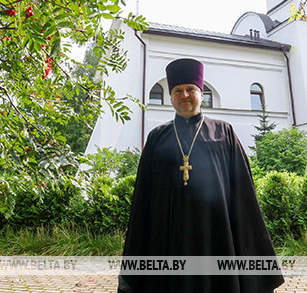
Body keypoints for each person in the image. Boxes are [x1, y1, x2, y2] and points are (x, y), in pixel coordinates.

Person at [118, 58, 284, 293]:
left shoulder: (224, 132)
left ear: (201, 93)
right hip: (167, 238)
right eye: (177, 90)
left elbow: (244, 195)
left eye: (190, 89)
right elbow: (142, 201)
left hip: (216, 234)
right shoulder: (157, 138)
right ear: (171, 96)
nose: (184, 95)